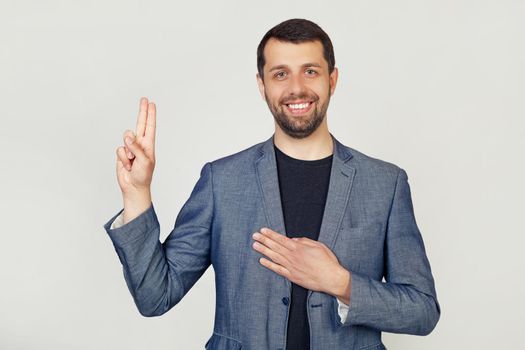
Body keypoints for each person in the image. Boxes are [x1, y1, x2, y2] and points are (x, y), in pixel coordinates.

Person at [103, 18, 440, 350]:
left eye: (310, 71)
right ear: (262, 85)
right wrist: (137, 194)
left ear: (332, 80)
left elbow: (422, 311)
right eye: (281, 74)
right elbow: (155, 296)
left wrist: (340, 282)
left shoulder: (386, 184)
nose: (296, 87)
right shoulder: (222, 181)